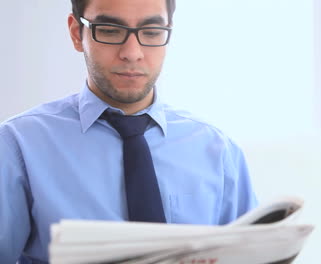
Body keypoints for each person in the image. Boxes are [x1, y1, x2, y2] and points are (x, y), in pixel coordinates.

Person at [0, 0, 257, 263]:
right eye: (110, 30)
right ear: (77, 33)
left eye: (151, 32)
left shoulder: (219, 150)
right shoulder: (18, 145)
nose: (132, 52)